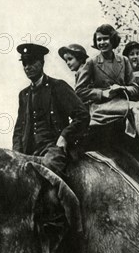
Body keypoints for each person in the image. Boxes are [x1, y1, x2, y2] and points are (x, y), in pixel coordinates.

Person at [13, 43, 90, 174]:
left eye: (31, 62)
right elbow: (19, 129)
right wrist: (15, 154)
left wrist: (65, 137)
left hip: (53, 149)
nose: (27, 67)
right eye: (24, 63)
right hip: (28, 150)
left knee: (47, 172)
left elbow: (82, 115)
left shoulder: (58, 87)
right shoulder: (24, 94)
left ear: (42, 63)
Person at [75, 24, 139, 129]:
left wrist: (123, 88)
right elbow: (79, 91)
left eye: (105, 39)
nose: (101, 43)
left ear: (113, 40)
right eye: (99, 40)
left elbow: (135, 88)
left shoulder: (124, 60)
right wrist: (101, 93)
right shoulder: (92, 62)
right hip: (102, 106)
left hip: (122, 102)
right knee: (138, 108)